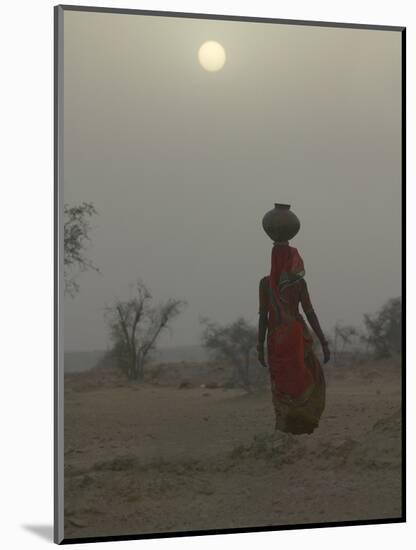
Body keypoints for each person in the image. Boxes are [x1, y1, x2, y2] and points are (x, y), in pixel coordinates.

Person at [257, 242, 330, 434]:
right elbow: (310, 313)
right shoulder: (298, 283)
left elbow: (263, 316)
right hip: (297, 337)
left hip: (277, 339)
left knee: (281, 383)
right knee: (311, 377)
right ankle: (303, 424)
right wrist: (323, 341)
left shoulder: (265, 283)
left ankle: (285, 426)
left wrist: (259, 345)